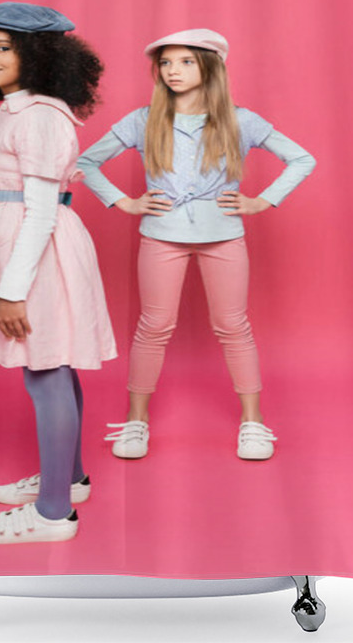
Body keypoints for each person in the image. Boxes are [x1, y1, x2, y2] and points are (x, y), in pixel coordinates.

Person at [77, 28, 315, 461]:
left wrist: (262, 199)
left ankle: (253, 423)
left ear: (209, 67)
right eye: (166, 62)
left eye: (185, 61)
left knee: (233, 326)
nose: (173, 71)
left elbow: (303, 158)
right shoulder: (142, 119)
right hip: (161, 236)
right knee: (154, 326)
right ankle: (136, 422)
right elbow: (86, 161)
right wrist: (124, 201)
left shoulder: (241, 120)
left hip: (224, 235)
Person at [0, 1, 116, 544]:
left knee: (44, 369)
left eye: (2, 48)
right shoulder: (18, 107)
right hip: (17, 235)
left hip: (35, 247)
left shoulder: (38, 116)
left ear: (36, 55)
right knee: (53, 360)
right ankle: (71, 478)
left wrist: (12, 290)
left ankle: (54, 513)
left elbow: (39, 210)